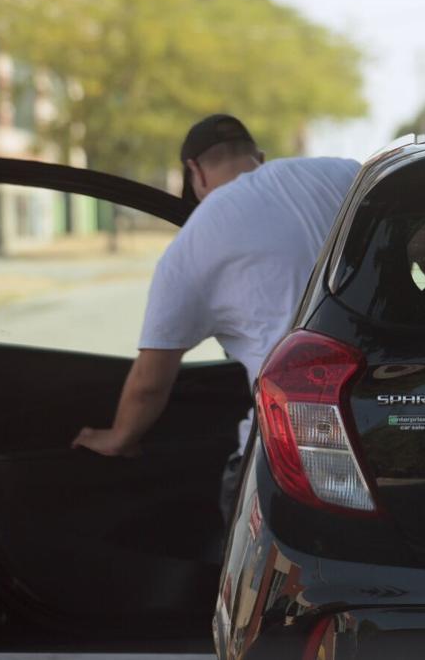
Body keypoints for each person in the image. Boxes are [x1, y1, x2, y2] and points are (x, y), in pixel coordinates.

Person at [70, 114, 363, 522]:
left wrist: (119, 437)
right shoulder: (344, 173)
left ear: (195, 171)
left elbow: (150, 382)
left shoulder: (192, 244)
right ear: (257, 156)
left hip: (291, 456)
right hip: (385, 426)